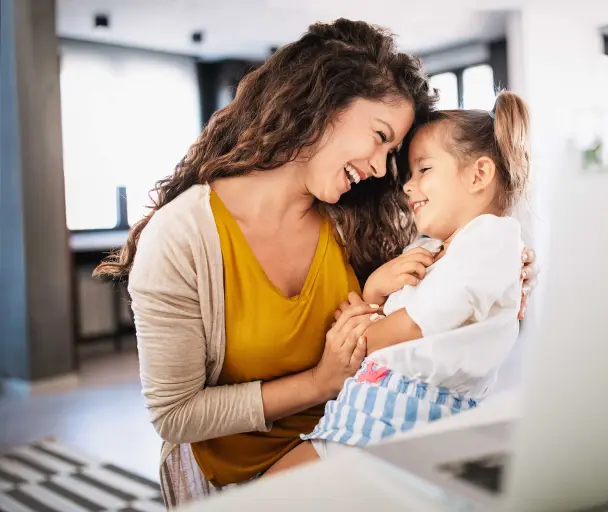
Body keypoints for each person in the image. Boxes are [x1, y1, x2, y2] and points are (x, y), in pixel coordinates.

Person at [94, 19, 538, 507]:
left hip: (363, 455)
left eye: (393, 155)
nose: (378, 168)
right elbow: (176, 415)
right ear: (323, 102)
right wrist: (318, 383)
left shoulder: (362, 218)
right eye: (379, 136)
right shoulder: (182, 238)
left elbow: (430, 303)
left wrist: (502, 280)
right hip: (236, 483)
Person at [264, 91, 531, 474]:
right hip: (374, 407)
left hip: (403, 418)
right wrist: (373, 289)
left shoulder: (490, 237)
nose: (407, 186)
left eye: (424, 170)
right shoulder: (430, 249)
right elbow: (381, 316)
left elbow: (408, 326)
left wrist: (356, 338)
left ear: (479, 174)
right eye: (408, 174)